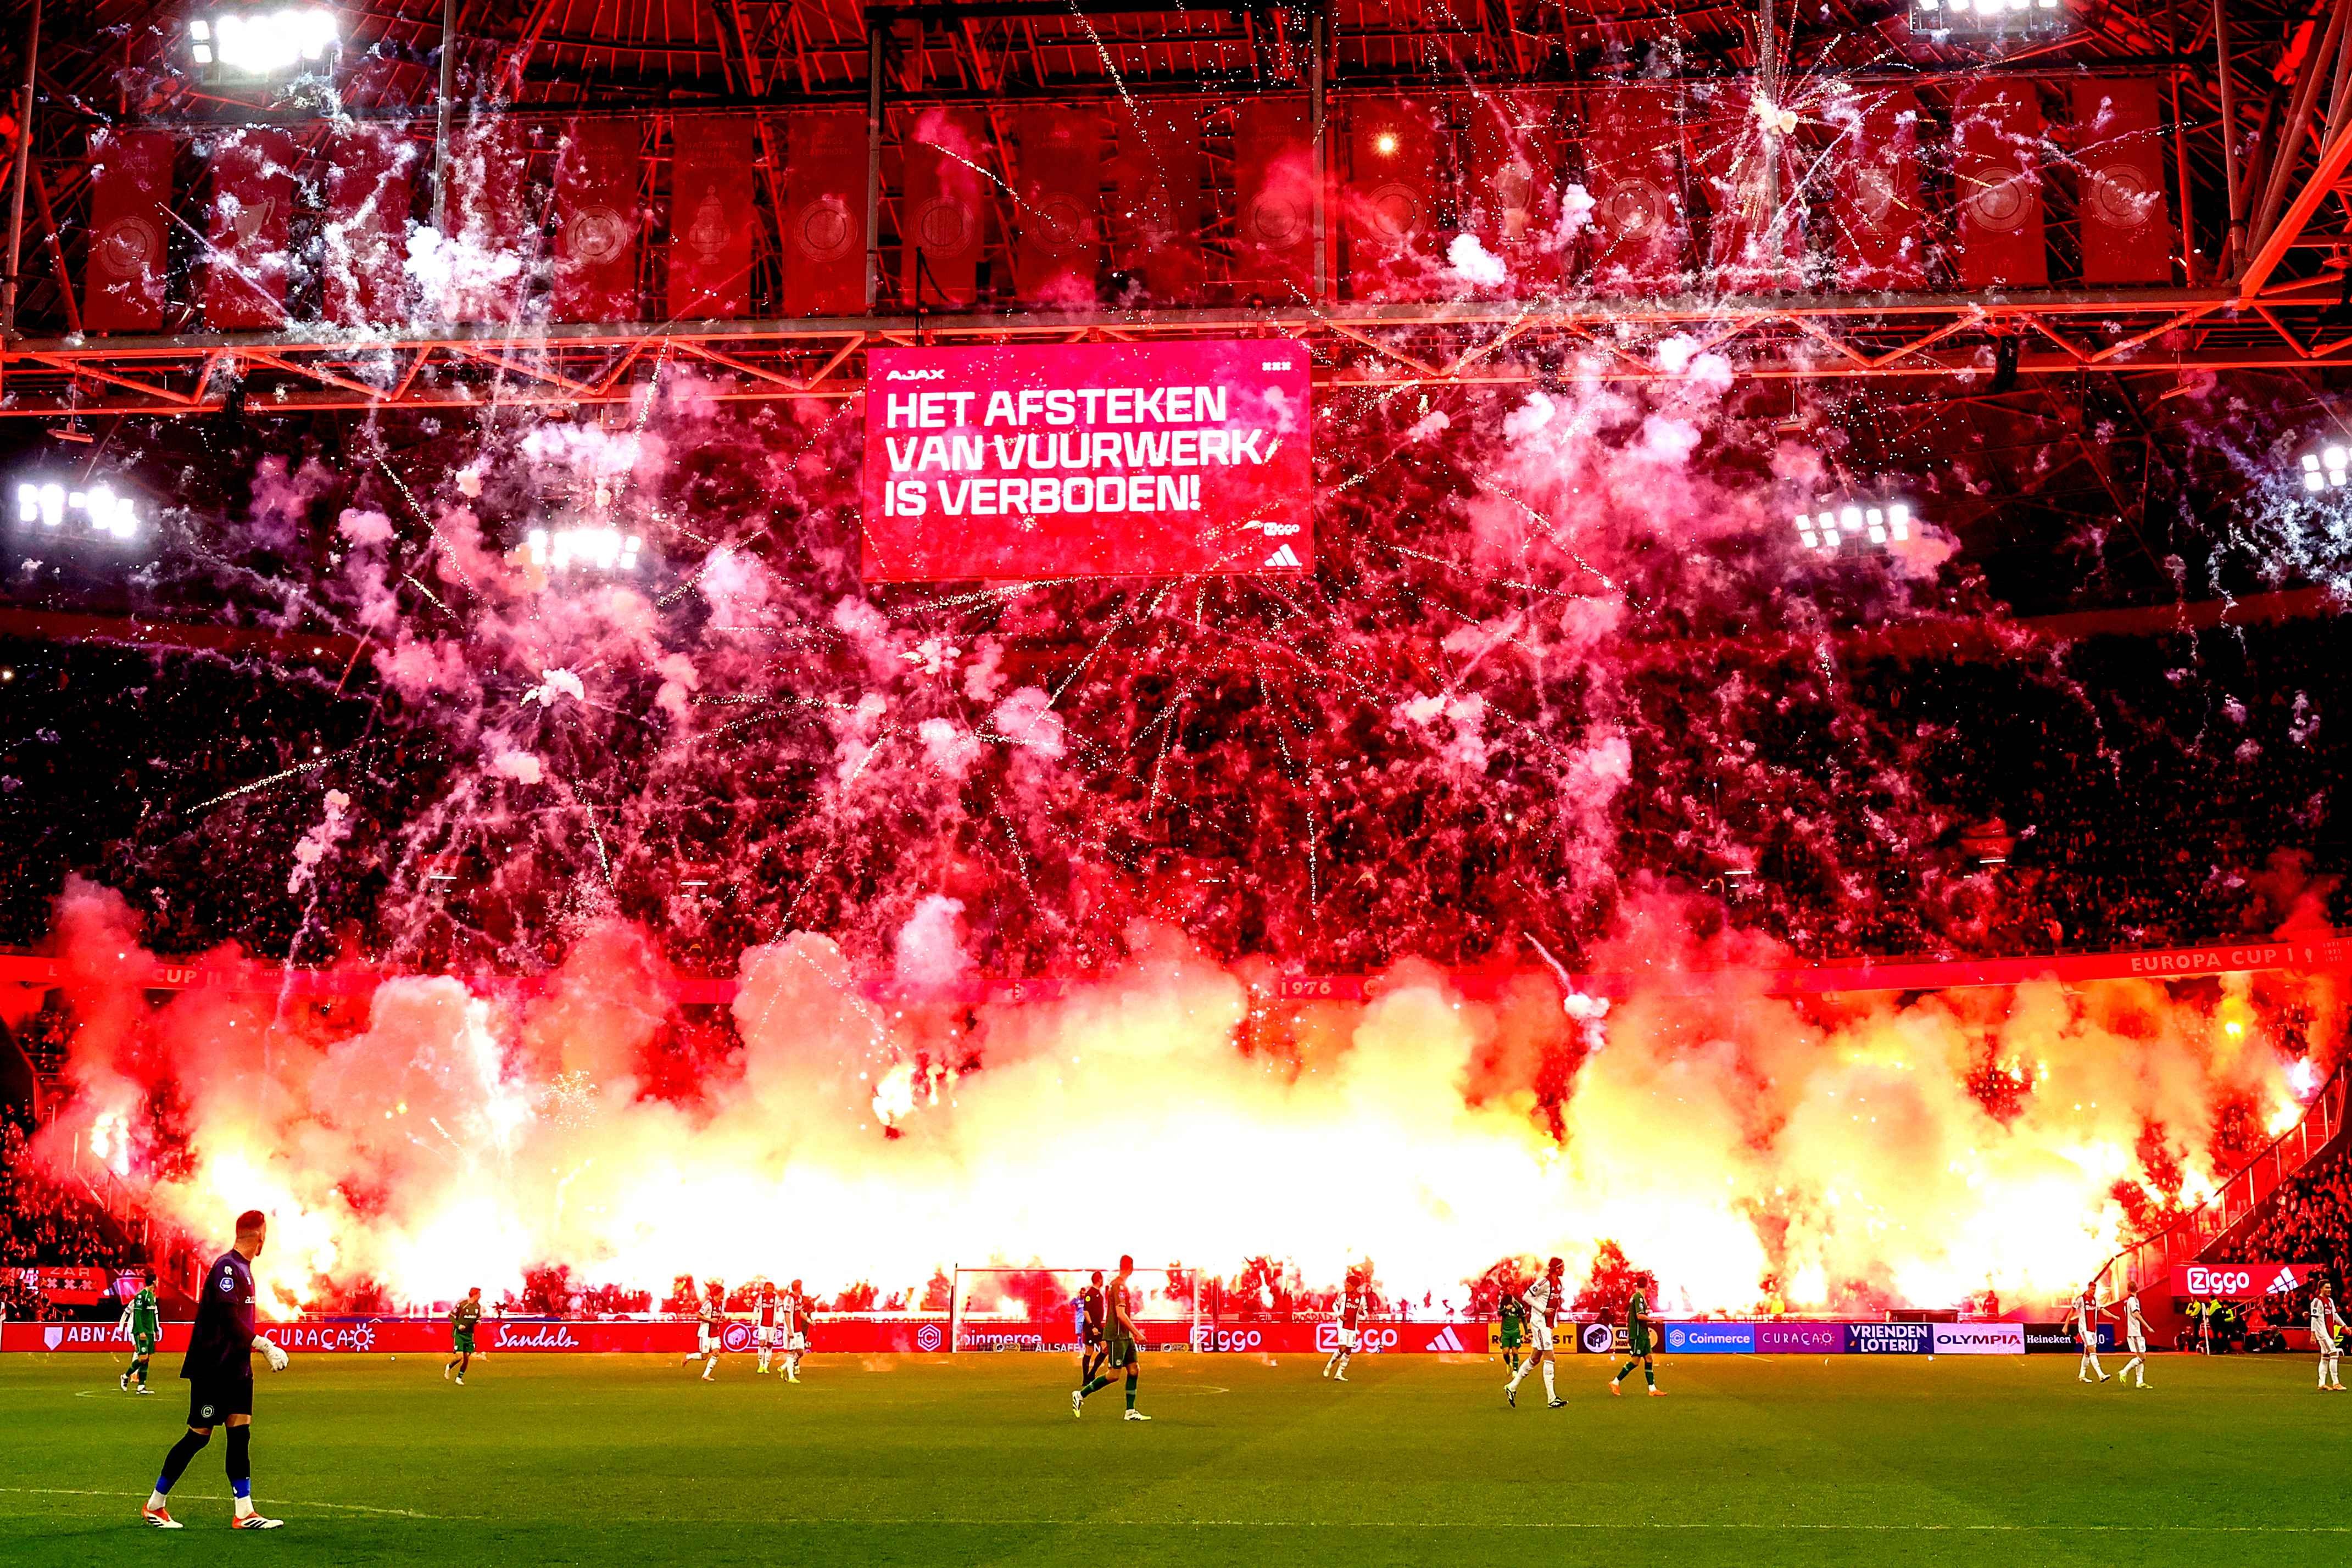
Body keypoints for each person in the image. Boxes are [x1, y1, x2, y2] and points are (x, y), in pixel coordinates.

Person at [142, 1209, 289, 1531]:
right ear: (259, 1236)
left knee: (240, 1436)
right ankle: (155, 1505)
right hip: (214, 1369)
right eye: (266, 1234)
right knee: (198, 1437)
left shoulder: (246, 1271)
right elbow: (227, 1318)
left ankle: (244, 1513)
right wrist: (264, 1344)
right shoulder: (227, 1266)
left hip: (237, 1369)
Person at [1073, 1254, 1148, 1420]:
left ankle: (1130, 1411)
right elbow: (1120, 1314)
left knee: (1134, 1369)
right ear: (1131, 1267)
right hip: (1117, 1336)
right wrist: (1137, 1333)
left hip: (1125, 1336)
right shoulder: (1119, 1286)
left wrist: (1131, 1334)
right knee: (1114, 1375)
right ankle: (1080, 1395)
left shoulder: (1119, 1286)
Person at [1504, 1256, 1564, 1409]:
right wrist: (1543, 1310)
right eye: (1562, 1267)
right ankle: (1552, 1399)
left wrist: (1553, 1323)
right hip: (1539, 1324)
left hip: (1547, 1325)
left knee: (1535, 1358)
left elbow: (1554, 1304)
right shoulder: (1544, 1282)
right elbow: (1527, 1297)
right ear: (1556, 1269)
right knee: (1550, 1358)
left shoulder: (1559, 1284)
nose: (1564, 1270)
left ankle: (1512, 1387)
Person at [1611, 1276, 1663, 1397]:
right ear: (1647, 1285)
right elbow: (1639, 1317)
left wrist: (1629, 1329)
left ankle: (1652, 1389)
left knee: (1649, 1358)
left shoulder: (1637, 1298)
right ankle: (1615, 1382)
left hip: (1643, 1334)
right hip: (1639, 1334)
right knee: (1635, 1362)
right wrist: (1655, 1320)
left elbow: (1629, 1315)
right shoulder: (1638, 1298)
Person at [119, 1268, 160, 1394]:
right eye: (157, 1280)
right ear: (153, 1282)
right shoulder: (140, 1296)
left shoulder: (152, 1297)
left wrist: (156, 1330)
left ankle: (141, 1386)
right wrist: (141, 1331)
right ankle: (125, 1376)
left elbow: (153, 1314)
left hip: (150, 1331)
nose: (158, 1282)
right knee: (143, 1357)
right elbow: (137, 1315)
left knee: (146, 1359)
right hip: (141, 1332)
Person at [1322, 1271, 1367, 1383]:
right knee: (1342, 1349)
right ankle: (1329, 1365)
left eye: (1348, 1285)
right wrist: (1339, 1315)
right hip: (1342, 1325)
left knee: (1348, 1351)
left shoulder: (1362, 1298)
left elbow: (1365, 1313)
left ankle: (1339, 1374)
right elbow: (1334, 1305)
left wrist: (1362, 1313)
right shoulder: (1343, 1296)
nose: (1346, 1287)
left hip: (1353, 1327)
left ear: (1355, 1287)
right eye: (1346, 1285)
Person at [2310, 1279, 2345, 1392]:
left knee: (2325, 1357)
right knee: (2334, 1354)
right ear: (2321, 1289)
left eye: (2330, 1287)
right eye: (2327, 1287)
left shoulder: (2330, 1301)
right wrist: (2313, 1334)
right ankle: (2336, 1383)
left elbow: (2335, 1315)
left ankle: (2322, 1383)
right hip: (2322, 1333)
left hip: (2329, 1333)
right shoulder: (2316, 1302)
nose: (2329, 1290)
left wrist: (2344, 1326)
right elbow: (2314, 1319)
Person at [444, 1287, 482, 1386]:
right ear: (475, 1294)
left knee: (467, 1357)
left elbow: (477, 1317)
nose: (480, 1296)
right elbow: (451, 1316)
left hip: (470, 1335)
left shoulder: (478, 1307)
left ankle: (459, 1378)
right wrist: (458, 1325)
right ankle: (449, 1366)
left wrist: (478, 1321)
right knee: (459, 1357)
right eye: (479, 1294)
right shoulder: (463, 1305)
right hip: (460, 1334)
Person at [1076, 1270, 1108, 1390]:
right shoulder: (1090, 1294)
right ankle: (1085, 1379)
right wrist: (1092, 1326)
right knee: (1089, 1352)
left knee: (1106, 1349)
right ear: (1099, 1279)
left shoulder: (1099, 1293)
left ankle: (1092, 1374)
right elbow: (1086, 1311)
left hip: (1099, 1326)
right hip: (1091, 1328)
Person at [2074, 1287, 2111, 1383]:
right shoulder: (2081, 1299)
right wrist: (2066, 1325)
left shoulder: (2095, 1300)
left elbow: (2102, 1310)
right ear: (2088, 1289)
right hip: (2084, 1329)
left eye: (2095, 1289)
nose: (2093, 1291)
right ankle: (2101, 1375)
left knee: (2087, 1353)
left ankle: (2082, 1375)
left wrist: (2113, 1316)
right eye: (2092, 1289)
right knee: (2093, 1351)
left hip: (2093, 1330)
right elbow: (2072, 1311)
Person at [2116, 1289, 2150, 1390]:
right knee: (2142, 1357)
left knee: (2140, 1357)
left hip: (2134, 1331)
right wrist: (2147, 1326)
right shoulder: (2133, 1300)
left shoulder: (2127, 1301)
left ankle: (2140, 1382)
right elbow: (2136, 1314)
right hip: (2134, 1332)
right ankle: (2124, 1372)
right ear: (2137, 1289)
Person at [779, 1279, 811, 1383]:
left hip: (799, 1330)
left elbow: (799, 1311)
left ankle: (784, 1367)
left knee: (801, 1352)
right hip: (792, 1329)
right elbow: (787, 1315)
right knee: (791, 1352)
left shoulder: (799, 1298)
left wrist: (808, 1320)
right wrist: (789, 1330)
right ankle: (791, 1376)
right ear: (798, 1287)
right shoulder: (789, 1299)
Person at [691, 1283, 723, 1382]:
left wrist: (727, 1319)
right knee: (704, 1356)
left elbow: (722, 1317)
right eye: (723, 1293)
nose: (724, 1294)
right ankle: (689, 1356)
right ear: (719, 1293)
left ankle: (706, 1375)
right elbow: (699, 1316)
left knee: (716, 1353)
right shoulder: (709, 1304)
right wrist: (710, 1320)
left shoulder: (721, 1305)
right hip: (706, 1333)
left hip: (715, 1333)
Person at [1497, 1286, 1525, 1377]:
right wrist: (1506, 1309)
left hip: (1515, 1332)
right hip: (1505, 1332)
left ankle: (1515, 1371)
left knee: (1515, 1351)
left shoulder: (1518, 1305)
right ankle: (1509, 1364)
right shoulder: (1503, 1303)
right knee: (1505, 1352)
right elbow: (1499, 1314)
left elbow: (1524, 1318)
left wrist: (1527, 1331)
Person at [754, 1282, 779, 1375]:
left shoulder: (776, 1298)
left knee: (769, 1345)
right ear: (765, 1289)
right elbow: (756, 1308)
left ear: (773, 1289)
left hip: (772, 1325)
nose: (768, 1290)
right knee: (761, 1343)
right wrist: (754, 1320)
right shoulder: (761, 1297)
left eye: (770, 1288)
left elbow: (780, 1309)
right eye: (767, 1288)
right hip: (762, 1324)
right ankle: (760, 1365)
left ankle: (766, 1366)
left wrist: (779, 1320)